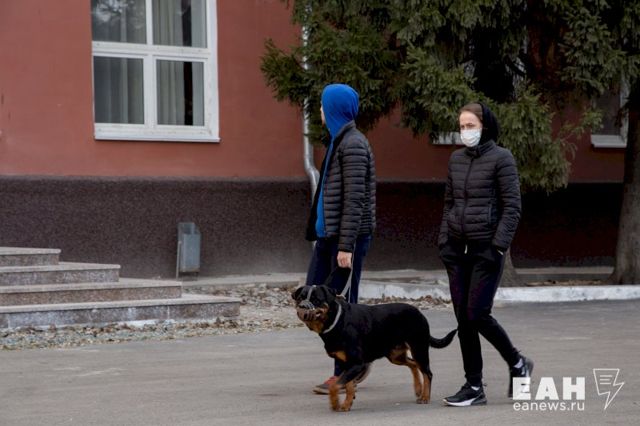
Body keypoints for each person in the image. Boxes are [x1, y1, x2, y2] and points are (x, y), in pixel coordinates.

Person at [438, 102, 533, 407]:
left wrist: (498, 247)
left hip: (486, 250)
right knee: (463, 319)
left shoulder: (502, 158)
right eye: (462, 126)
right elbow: (449, 203)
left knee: (477, 314)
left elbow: (512, 207)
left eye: (471, 126)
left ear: (485, 126)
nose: (465, 131)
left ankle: (517, 362)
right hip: (456, 249)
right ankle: (473, 385)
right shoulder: (456, 159)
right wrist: (444, 242)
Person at [304, 83, 376, 395]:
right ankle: (356, 361)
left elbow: (355, 200)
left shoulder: (354, 144)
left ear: (334, 108)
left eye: (323, 104)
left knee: (341, 308)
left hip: (346, 240)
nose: (320, 110)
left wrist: (346, 246)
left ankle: (347, 369)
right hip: (329, 237)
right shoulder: (339, 140)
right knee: (311, 297)